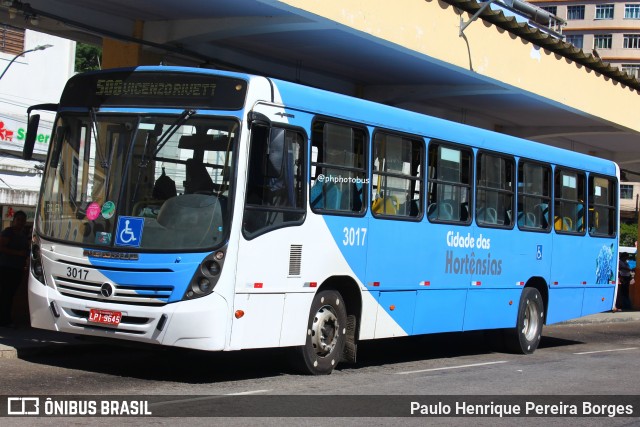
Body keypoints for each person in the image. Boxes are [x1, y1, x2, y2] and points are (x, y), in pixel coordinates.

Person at [0, 211, 29, 327]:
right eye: (18, 220)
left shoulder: (23, 235)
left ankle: (6, 319)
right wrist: (18, 253)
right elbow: (1, 248)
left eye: (23, 220)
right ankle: (4, 320)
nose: (20, 222)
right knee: (5, 294)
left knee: (11, 294)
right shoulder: (8, 232)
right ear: (14, 220)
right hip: (6, 267)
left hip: (18, 268)